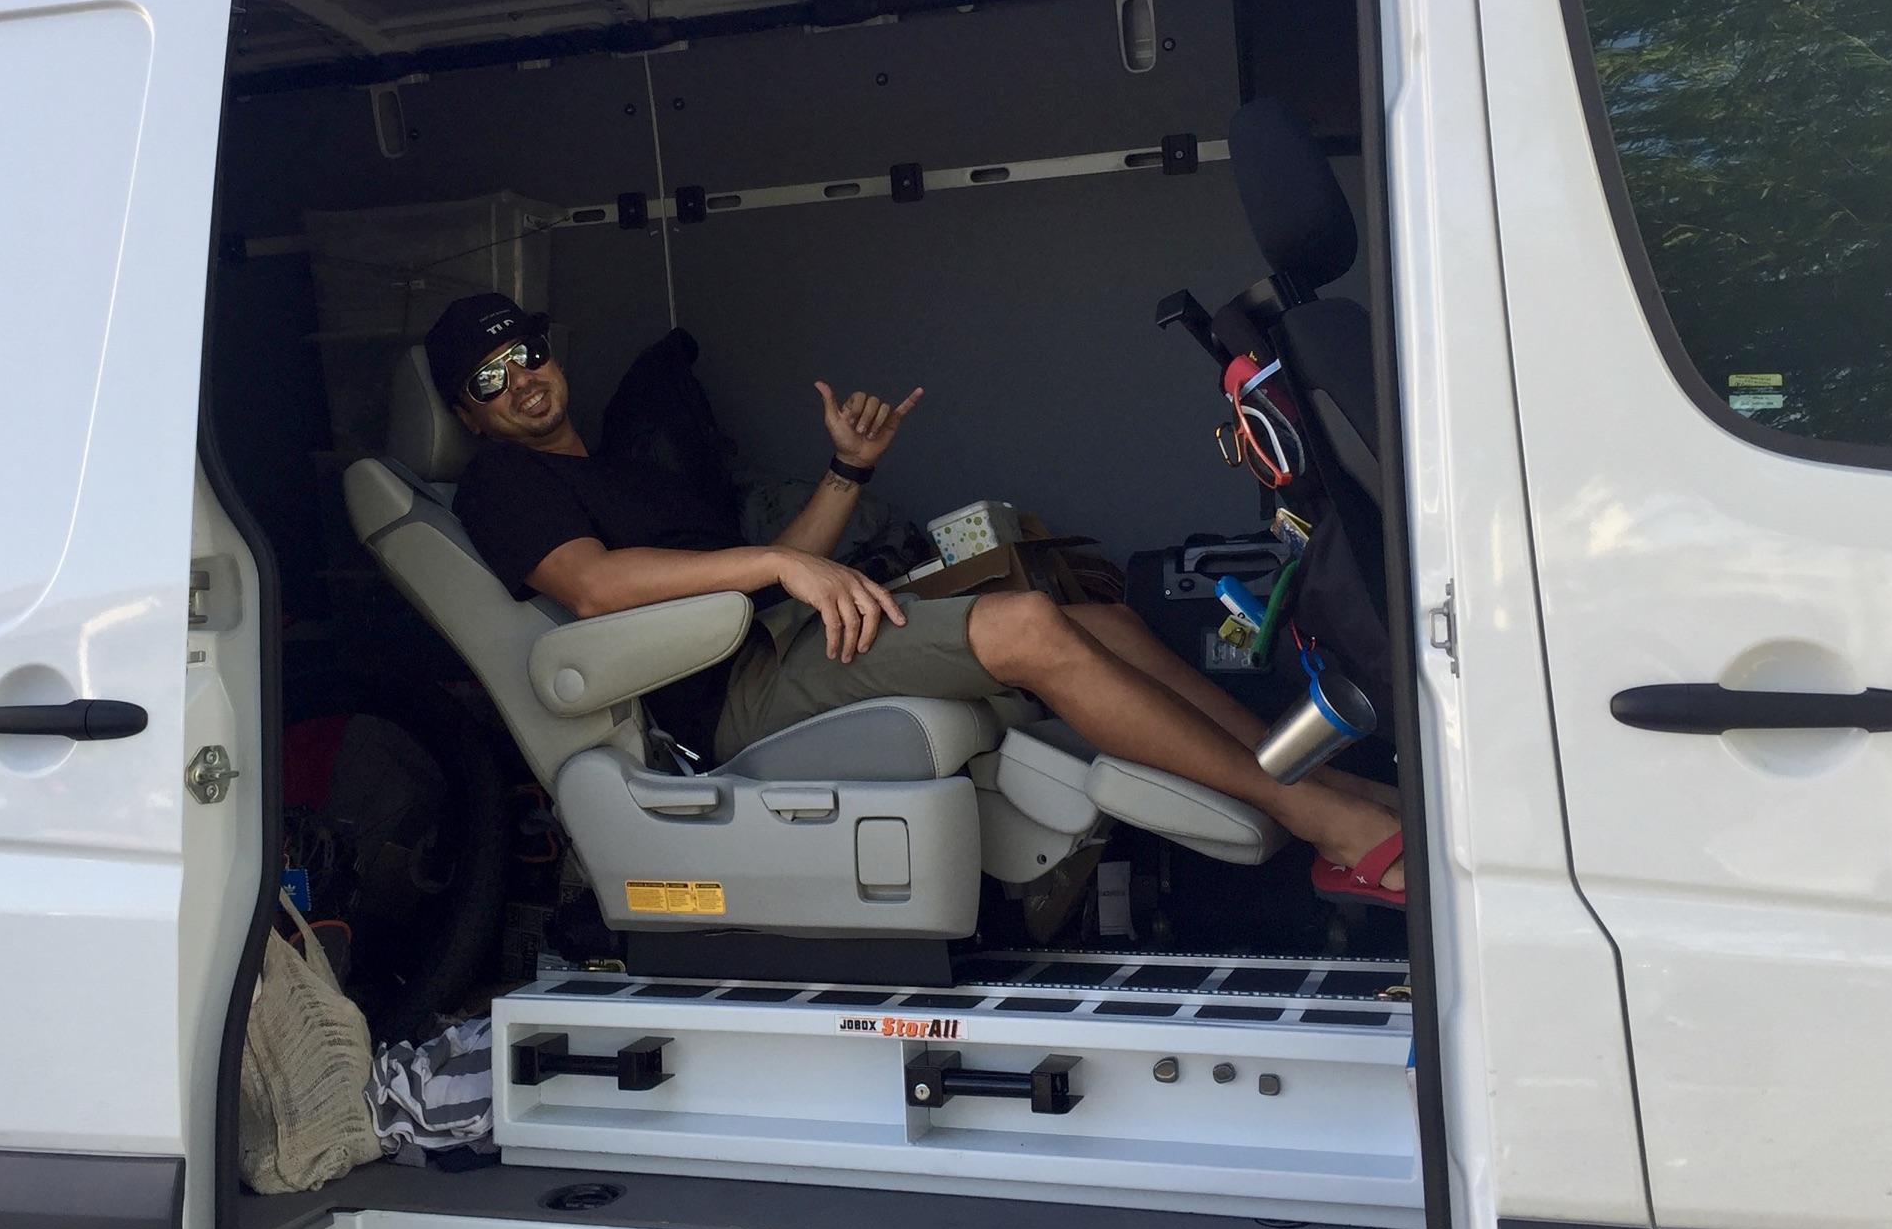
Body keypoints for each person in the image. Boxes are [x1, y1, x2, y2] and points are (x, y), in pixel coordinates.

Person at [428, 294, 1405, 900]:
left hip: (775, 635)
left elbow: (779, 557)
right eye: (491, 375)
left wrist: (844, 474)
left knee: (1094, 616)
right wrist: (775, 571)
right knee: (1024, 624)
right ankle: (1323, 820)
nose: (522, 381)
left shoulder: (615, 467)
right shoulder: (501, 483)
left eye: (529, 354)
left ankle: (1321, 784)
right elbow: (594, 590)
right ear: (468, 410)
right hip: (725, 694)